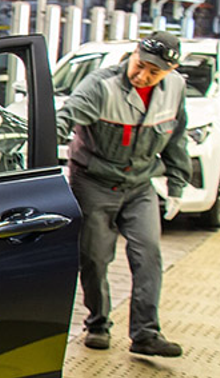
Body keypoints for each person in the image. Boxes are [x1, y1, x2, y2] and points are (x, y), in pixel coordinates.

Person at [56, 31, 190, 358]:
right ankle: (97, 324)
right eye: (140, 65)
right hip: (94, 182)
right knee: (94, 257)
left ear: (170, 71)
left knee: (148, 254)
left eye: (154, 72)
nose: (142, 75)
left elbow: (176, 138)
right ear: (133, 54)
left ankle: (146, 333)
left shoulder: (175, 89)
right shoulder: (100, 86)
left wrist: (176, 184)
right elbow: (65, 119)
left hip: (140, 186)